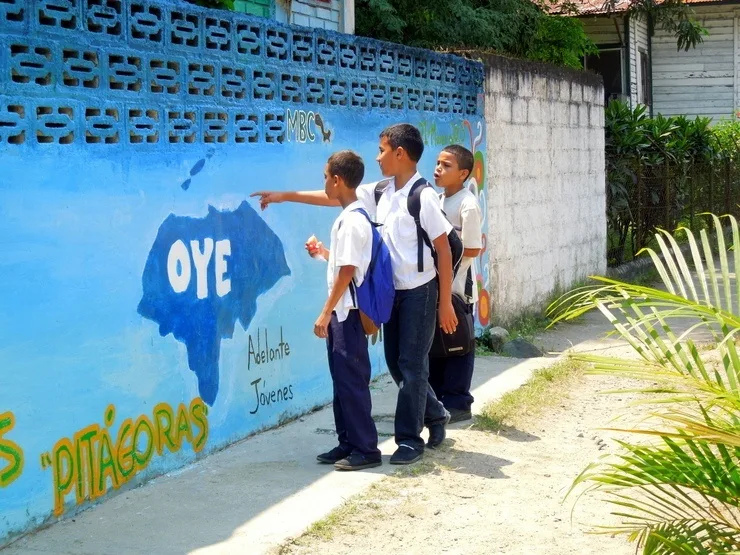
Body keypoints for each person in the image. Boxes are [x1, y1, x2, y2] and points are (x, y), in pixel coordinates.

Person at [251, 123, 456, 464]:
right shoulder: (381, 192)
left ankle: (409, 440)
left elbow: (444, 250)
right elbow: (336, 196)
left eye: (382, 151)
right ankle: (434, 413)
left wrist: (444, 301)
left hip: (420, 291)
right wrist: (284, 195)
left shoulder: (424, 197)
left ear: (400, 154)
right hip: (392, 291)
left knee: (411, 364)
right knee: (397, 363)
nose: (378, 158)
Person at [310, 150, 382, 471]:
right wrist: (325, 253)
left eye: (326, 176)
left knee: (351, 381)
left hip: (347, 315)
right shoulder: (350, 217)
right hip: (343, 313)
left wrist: (325, 312)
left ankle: (366, 449)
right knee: (342, 381)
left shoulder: (352, 220)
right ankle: (348, 443)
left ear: (338, 181)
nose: (324, 182)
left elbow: (349, 271)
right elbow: (344, 265)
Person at [428, 145, 483, 423]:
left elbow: (473, 249)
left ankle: (459, 401)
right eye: (438, 163)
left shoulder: (467, 204)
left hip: (460, 287)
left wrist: (449, 270)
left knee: (460, 341)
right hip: (436, 286)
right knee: (438, 342)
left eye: (446, 165)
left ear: (462, 173)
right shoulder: (435, 201)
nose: (438, 168)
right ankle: (438, 398)